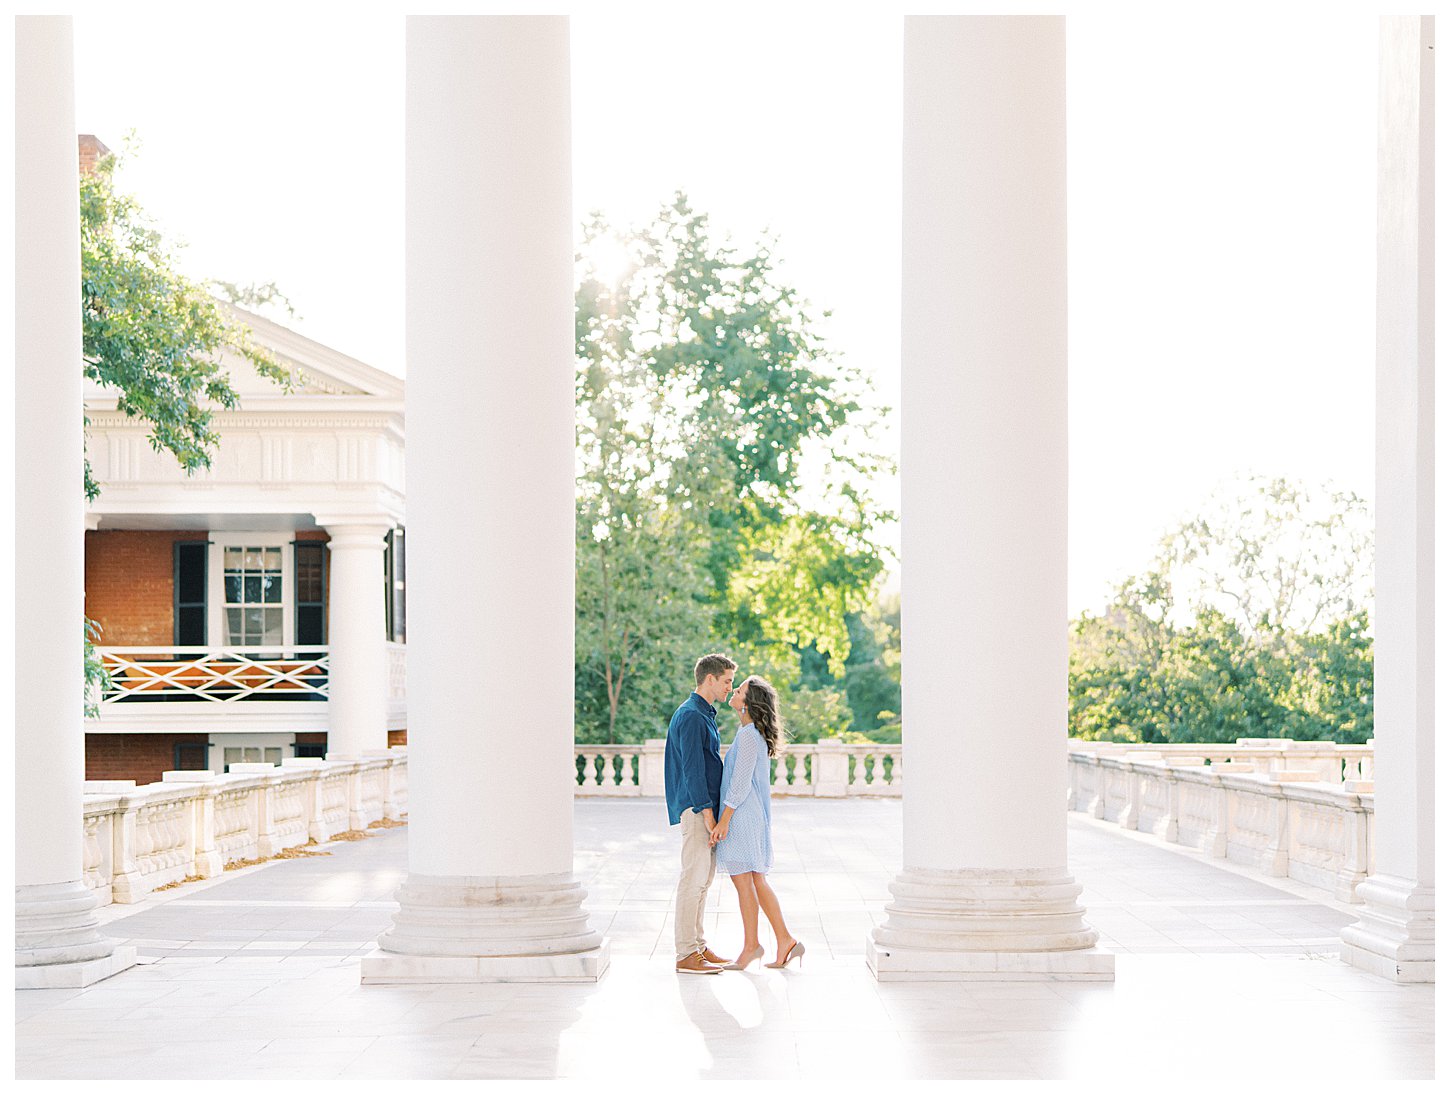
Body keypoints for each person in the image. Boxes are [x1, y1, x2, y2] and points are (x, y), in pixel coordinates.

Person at [709, 675, 804, 971]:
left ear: (747, 704)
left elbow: (738, 784)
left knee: (745, 882)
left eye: (739, 690)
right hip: (746, 815)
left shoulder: (750, 735)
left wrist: (723, 821)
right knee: (756, 881)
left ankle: (753, 946)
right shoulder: (748, 733)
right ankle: (784, 940)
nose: (734, 691)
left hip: (741, 817)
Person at [665, 653, 737, 974]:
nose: (729, 688)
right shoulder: (692, 716)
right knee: (692, 879)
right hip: (697, 810)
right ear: (709, 679)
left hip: (703, 808)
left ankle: (698, 946)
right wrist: (708, 814)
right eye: (726, 681)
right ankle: (685, 954)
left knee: (703, 881)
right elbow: (693, 769)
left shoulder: (704, 714)